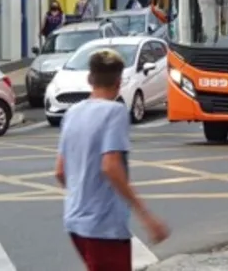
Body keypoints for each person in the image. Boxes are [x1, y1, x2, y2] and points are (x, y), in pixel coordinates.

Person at [54, 49, 169, 271]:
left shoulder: (72, 113)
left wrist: (82, 195)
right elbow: (111, 166)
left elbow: (60, 171)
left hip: (75, 222)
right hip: (104, 226)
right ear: (119, 82)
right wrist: (146, 216)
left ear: (90, 79)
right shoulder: (115, 112)